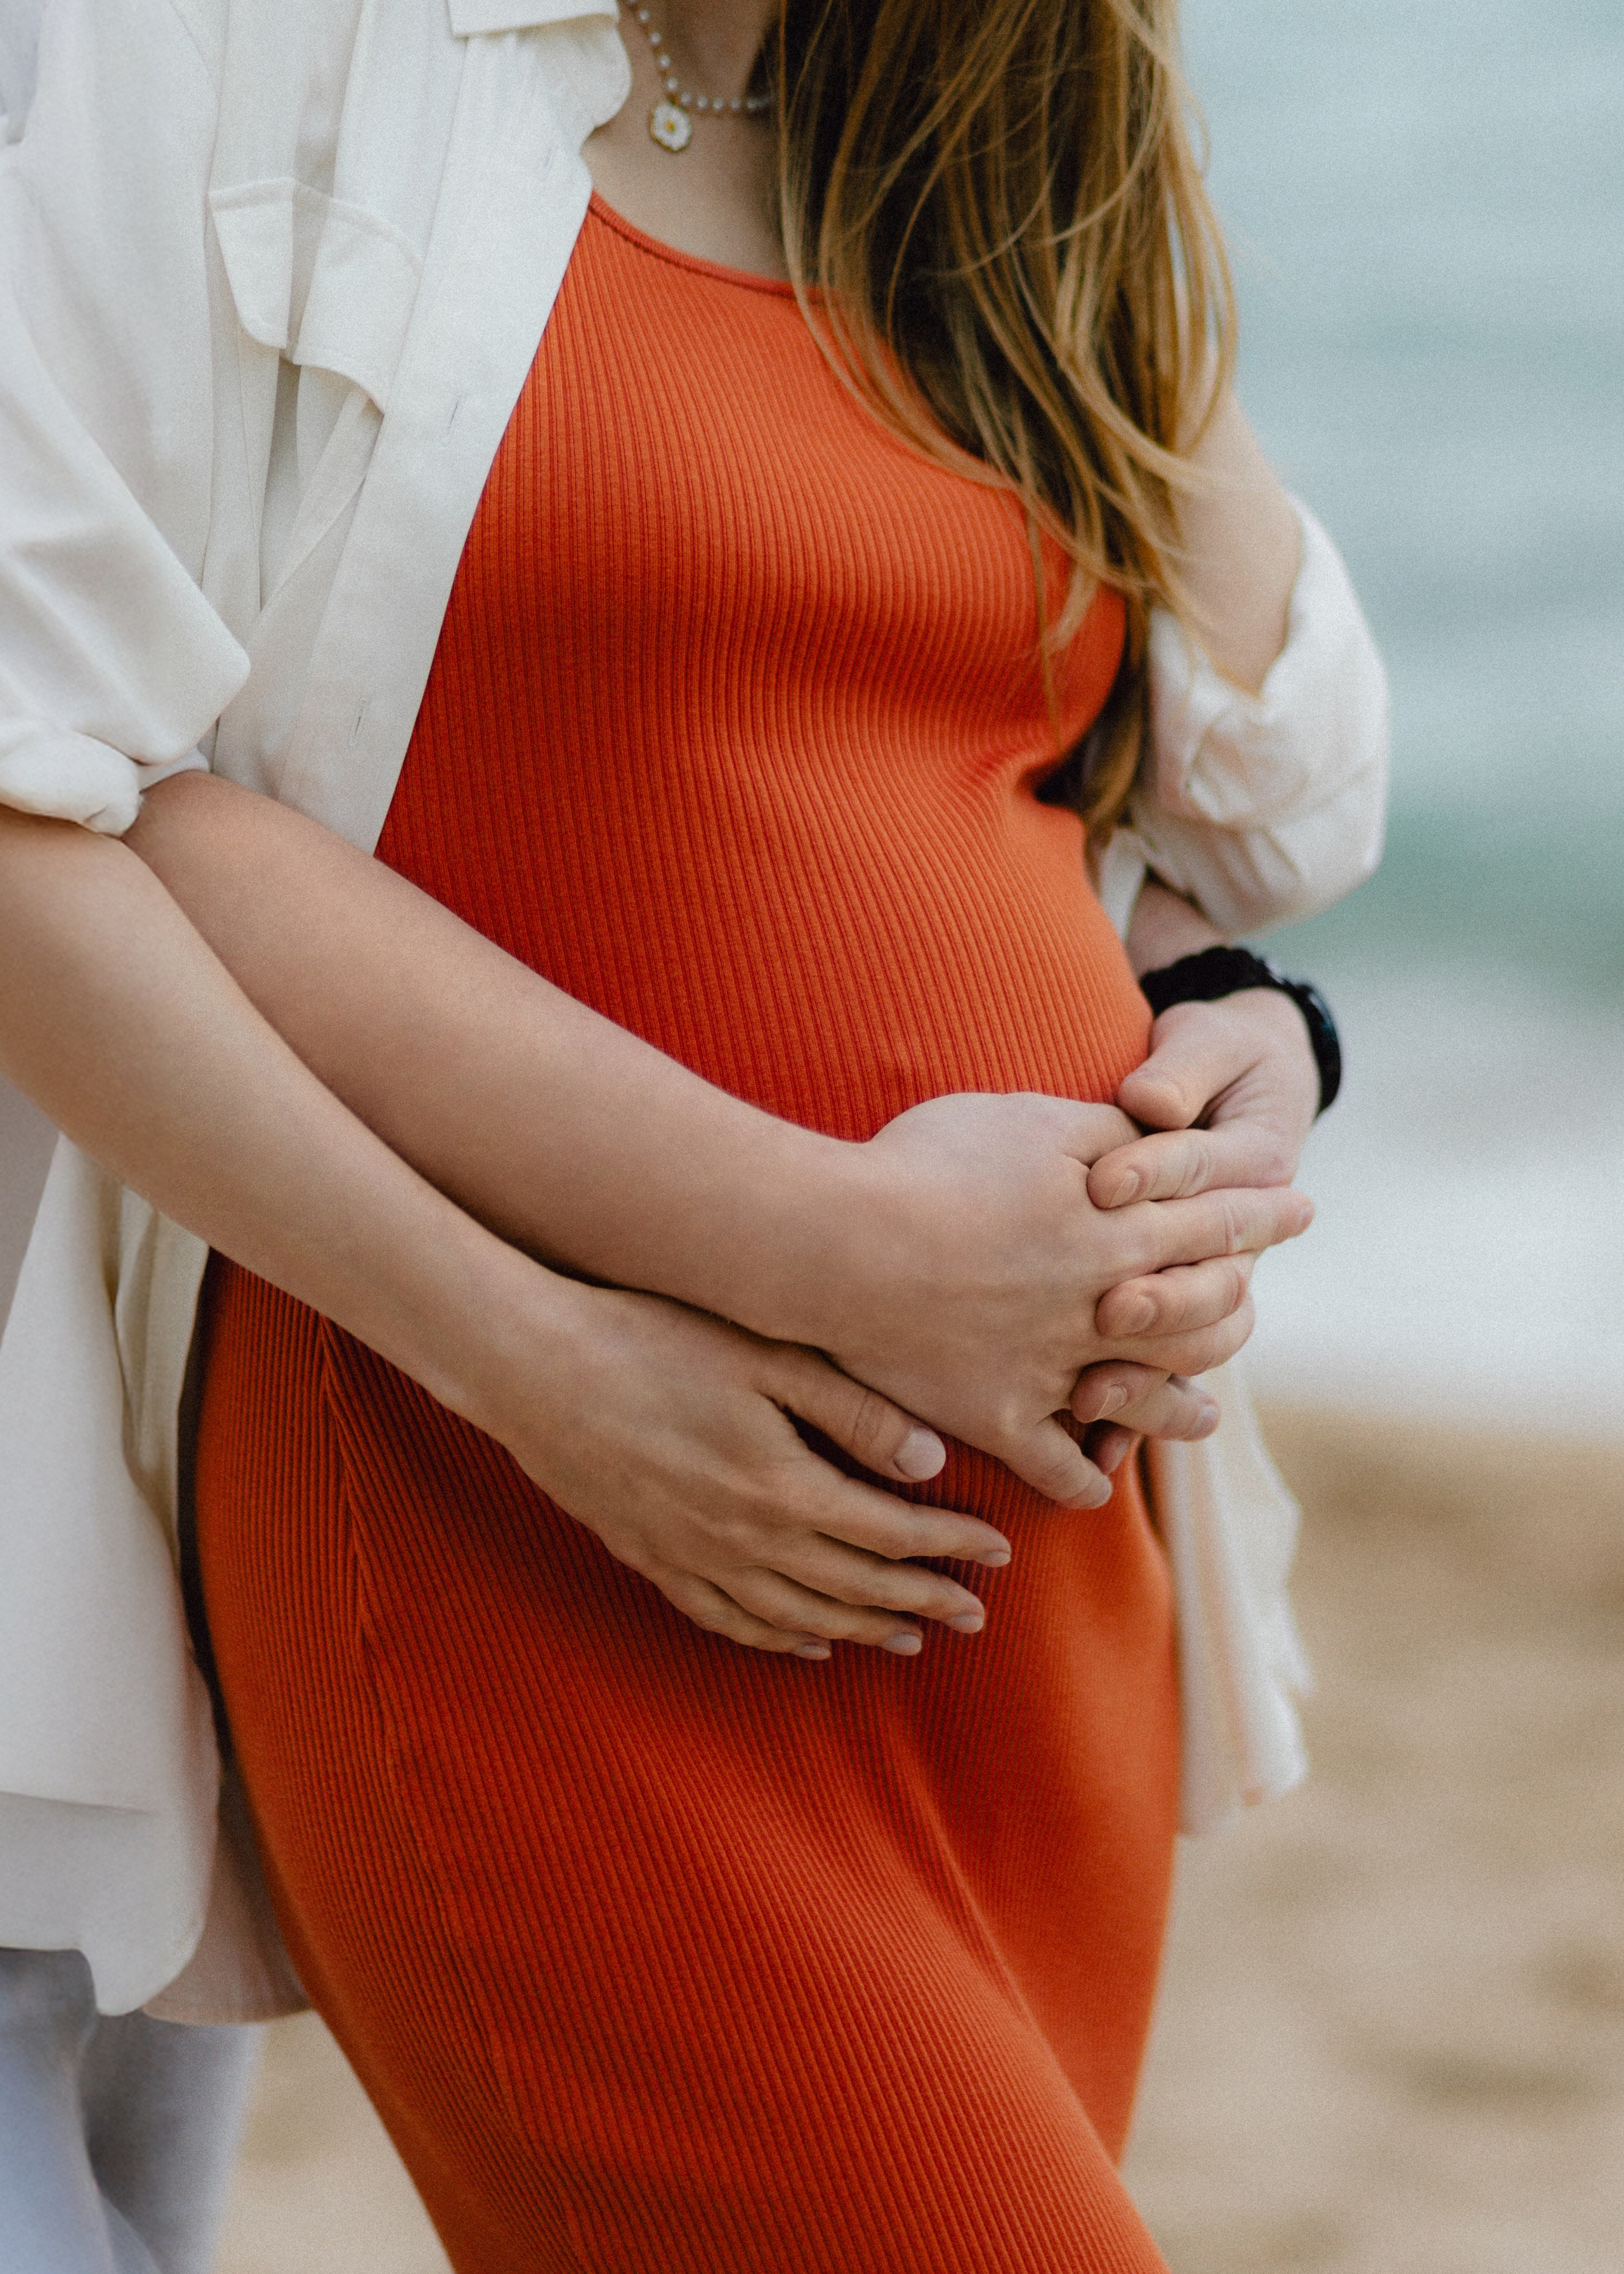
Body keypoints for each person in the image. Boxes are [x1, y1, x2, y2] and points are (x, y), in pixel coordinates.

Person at [0, 1, 1385, 2268]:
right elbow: (63, 790)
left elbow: (1279, 794)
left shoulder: (995, 102)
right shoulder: (249, 50)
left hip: (1028, 1590)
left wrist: (1251, 1037)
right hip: (527, 1475)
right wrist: (590, 1343)